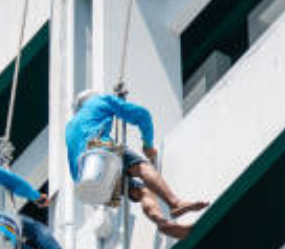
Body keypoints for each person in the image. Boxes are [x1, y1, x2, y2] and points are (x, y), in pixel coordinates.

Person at [66, 89, 209, 236]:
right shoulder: (101, 101)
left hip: (90, 178)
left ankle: (161, 222)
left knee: (142, 192)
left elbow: (74, 168)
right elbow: (142, 115)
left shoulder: (69, 127)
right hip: (100, 151)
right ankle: (175, 204)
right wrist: (147, 144)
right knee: (141, 167)